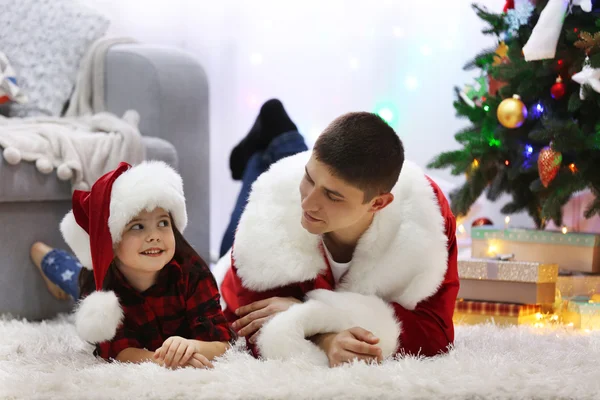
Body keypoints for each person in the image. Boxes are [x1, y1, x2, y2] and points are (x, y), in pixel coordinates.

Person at [217, 112, 459, 367]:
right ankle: (274, 136)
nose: (308, 203)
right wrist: (325, 337)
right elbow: (247, 332)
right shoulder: (269, 208)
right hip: (229, 271)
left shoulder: (425, 216)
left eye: (333, 197)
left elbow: (436, 336)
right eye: (308, 178)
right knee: (230, 232)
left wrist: (311, 314)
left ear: (378, 203)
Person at [39, 161, 235, 368]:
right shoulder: (102, 294)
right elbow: (118, 351)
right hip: (97, 278)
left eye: (163, 223)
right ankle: (45, 256)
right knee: (71, 276)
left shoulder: (194, 273)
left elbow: (222, 342)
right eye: (138, 226)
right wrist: (168, 361)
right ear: (111, 243)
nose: (154, 236)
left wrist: (191, 347)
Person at [220, 99, 307, 257]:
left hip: (236, 255)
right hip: (297, 154)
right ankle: (282, 142)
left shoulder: (257, 161)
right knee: (273, 109)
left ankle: (262, 145)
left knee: (272, 110)